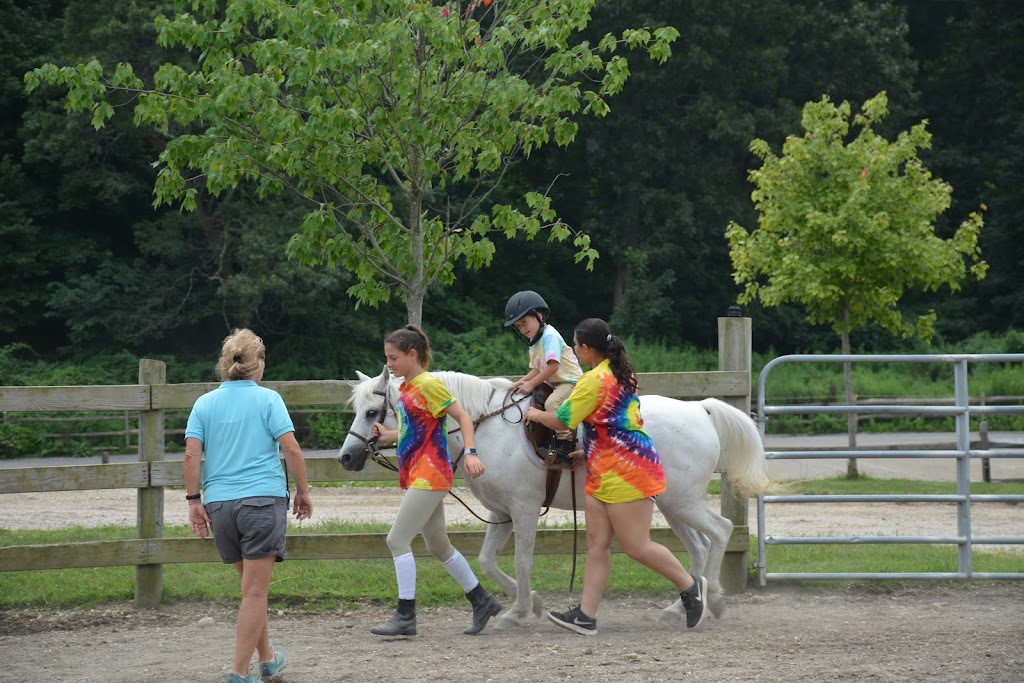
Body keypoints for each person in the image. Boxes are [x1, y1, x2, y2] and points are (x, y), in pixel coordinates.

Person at [525, 317, 708, 636]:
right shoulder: (621, 373)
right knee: (597, 543)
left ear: (585, 348)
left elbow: (562, 420)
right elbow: (614, 420)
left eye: (575, 345)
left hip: (628, 469)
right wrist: (591, 450)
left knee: (636, 545)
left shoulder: (593, 380)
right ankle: (586, 615)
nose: (573, 350)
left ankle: (691, 588)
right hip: (602, 466)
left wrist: (536, 414)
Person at [183, 329, 313, 683]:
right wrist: (303, 491)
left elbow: (192, 454)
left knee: (251, 591)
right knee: (255, 593)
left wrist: (194, 501)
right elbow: (292, 449)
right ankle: (238, 673)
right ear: (259, 365)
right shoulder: (269, 400)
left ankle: (268, 659)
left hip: (220, 506)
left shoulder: (204, 403)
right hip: (261, 502)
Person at [368, 324, 503, 637]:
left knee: (396, 540)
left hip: (431, 474)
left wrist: (470, 452)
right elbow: (414, 431)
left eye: (393, 358)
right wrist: (387, 435)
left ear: (412, 355)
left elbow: (464, 417)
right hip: (419, 472)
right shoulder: (407, 389)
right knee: (439, 545)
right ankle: (481, 600)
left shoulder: (429, 384)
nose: (389, 364)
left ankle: (405, 616)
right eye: (387, 358)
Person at [503, 290, 583, 459]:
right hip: (554, 382)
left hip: (569, 381)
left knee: (552, 403)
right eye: (518, 326)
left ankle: (565, 444)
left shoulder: (550, 336)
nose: (523, 328)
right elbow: (536, 369)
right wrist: (521, 382)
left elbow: (553, 367)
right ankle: (547, 440)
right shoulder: (534, 340)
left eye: (525, 322)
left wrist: (531, 384)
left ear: (539, 315)